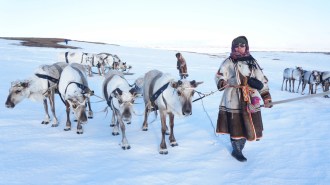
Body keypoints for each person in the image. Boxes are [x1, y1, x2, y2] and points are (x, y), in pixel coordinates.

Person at [214, 36, 272, 162]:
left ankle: (241, 145)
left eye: (242, 45)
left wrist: (266, 97)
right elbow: (219, 75)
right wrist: (222, 82)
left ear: (246, 47)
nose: (239, 48)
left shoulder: (252, 62)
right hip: (233, 97)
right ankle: (237, 150)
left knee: (248, 123)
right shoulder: (229, 61)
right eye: (237, 46)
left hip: (251, 96)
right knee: (236, 124)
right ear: (233, 47)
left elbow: (262, 79)